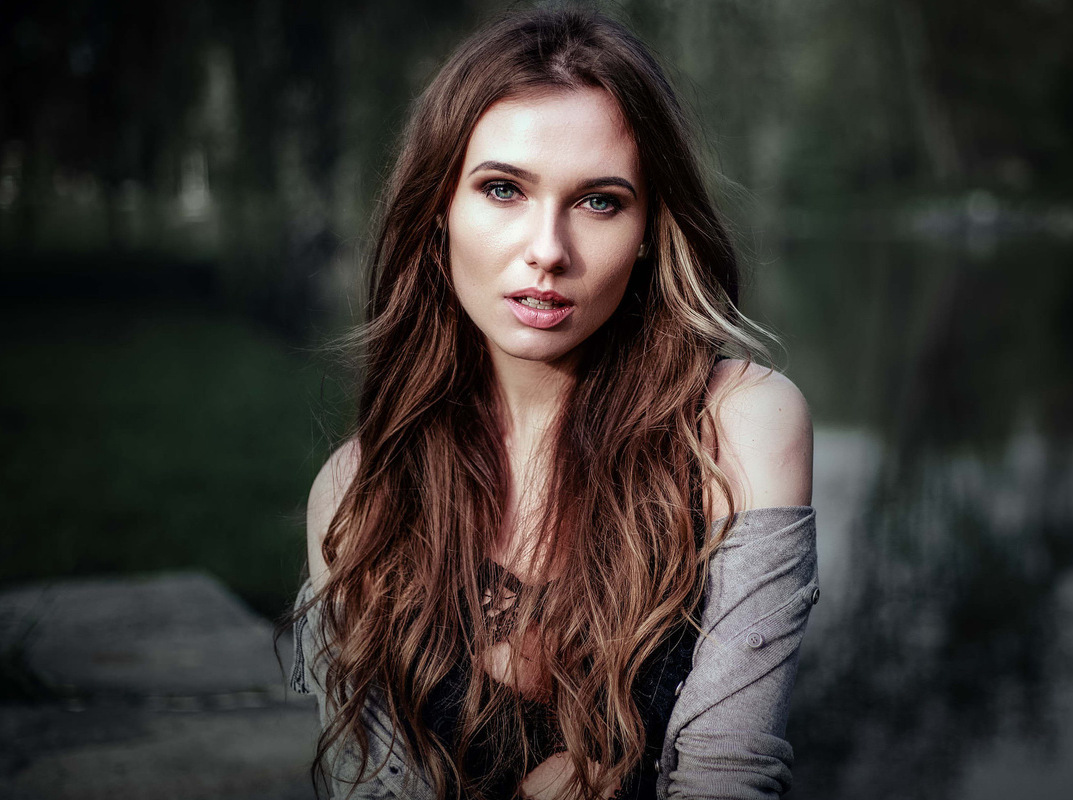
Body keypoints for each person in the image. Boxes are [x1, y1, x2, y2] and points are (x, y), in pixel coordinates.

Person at [289, 8, 818, 800]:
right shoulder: (357, 496)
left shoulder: (738, 428)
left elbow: (728, 781)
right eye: (503, 189)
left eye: (600, 201)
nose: (548, 248)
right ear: (439, 211)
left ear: (648, 230)